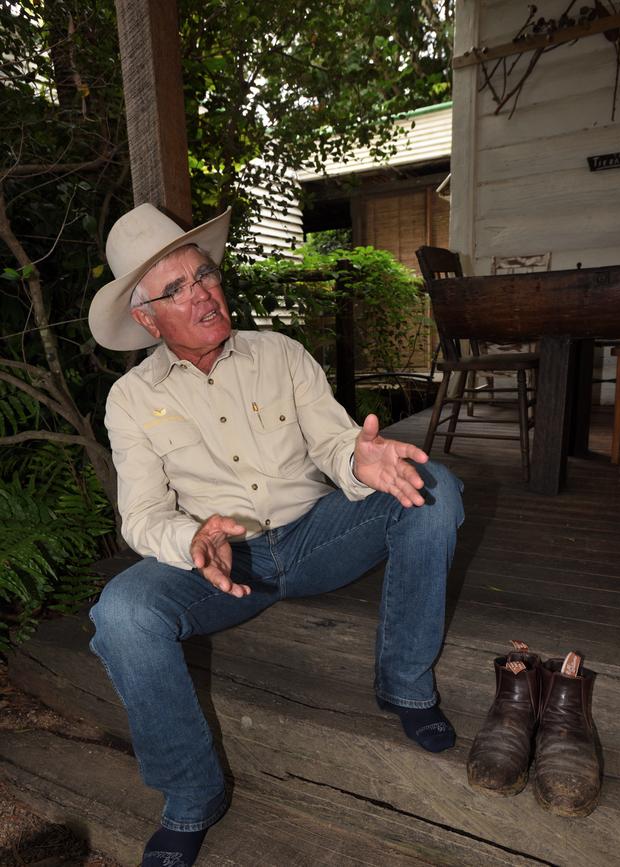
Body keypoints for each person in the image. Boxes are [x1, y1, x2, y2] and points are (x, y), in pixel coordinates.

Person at [88, 203, 464, 867]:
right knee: (121, 610)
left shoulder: (280, 353)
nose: (203, 291)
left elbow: (332, 437)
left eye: (203, 274)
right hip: (225, 563)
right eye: (177, 288)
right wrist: (193, 537)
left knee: (433, 487)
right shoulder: (130, 399)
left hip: (316, 536)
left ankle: (405, 683)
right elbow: (141, 514)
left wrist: (362, 459)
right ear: (146, 318)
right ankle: (191, 794)